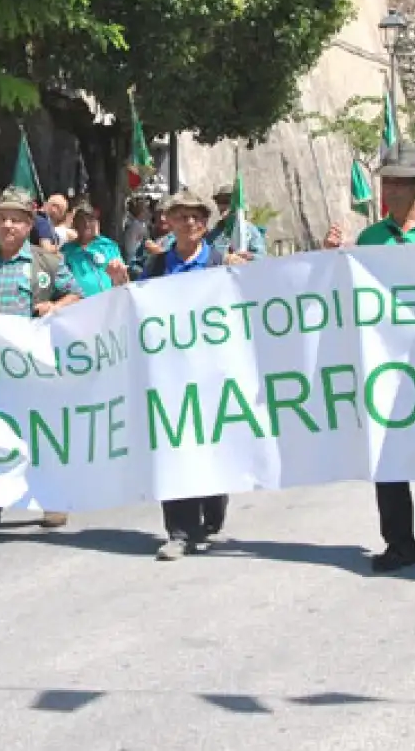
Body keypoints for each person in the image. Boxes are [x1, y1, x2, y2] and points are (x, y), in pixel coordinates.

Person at [324, 145, 415, 571]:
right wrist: (333, 259)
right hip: (384, 361)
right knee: (387, 452)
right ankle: (399, 543)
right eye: (389, 181)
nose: (394, 189)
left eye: (403, 182)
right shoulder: (371, 239)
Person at [0, 188, 81, 543]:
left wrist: (56, 307)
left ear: (28, 225)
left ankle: (52, 499)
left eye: (17, 219)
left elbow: (75, 294)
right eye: (2, 218)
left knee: (37, 434)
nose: (8, 225)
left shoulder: (45, 262)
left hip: (31, 368)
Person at [138, 189, 248, 559]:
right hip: (170, 375)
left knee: (213, 449)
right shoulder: (155, 268)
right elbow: (136, 312)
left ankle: (213, 508)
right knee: (174, 449)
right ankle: (179, 531)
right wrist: (123, 286)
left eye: (196, 216)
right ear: (168, 223)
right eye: (181, 216)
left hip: (214, 373)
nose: (190, 223)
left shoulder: (221, 264)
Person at [61, 201, 128, 297]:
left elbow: (124, 278)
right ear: (75, 224)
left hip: (109, 302)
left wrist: (121, 274)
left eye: (90, 219)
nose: (86, 224)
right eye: (81, 220)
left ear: (96, 222)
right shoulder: (67, 251)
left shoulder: (107, 246)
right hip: (81, 306)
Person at [207, 184, 267, 257]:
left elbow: (262, 257)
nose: (223, 206)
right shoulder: (214, 233)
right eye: (220, 202)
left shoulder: (251, 230)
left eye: (227, 201)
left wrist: (249, 256)